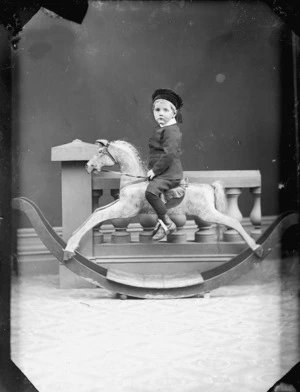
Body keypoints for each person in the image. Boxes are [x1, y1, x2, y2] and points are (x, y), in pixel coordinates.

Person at [145, 88, 184, 241]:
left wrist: (154, 171)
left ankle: (167, 223)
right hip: (162, 172)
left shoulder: (172, 131)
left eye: (165, 110)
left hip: (169, 173)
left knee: (150, 193)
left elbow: (169, 154)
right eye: (157, 110)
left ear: (173, 113)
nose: (160, 113)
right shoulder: (162, 129)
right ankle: (162, 223)